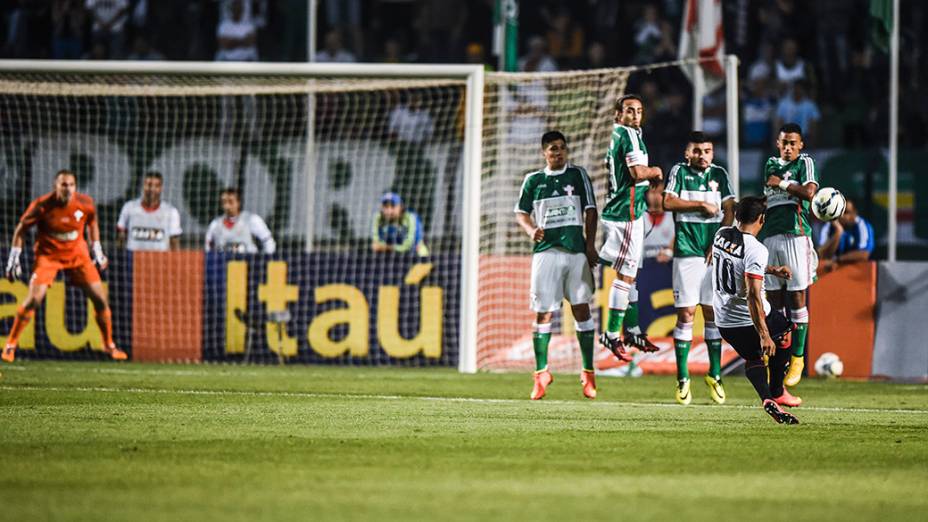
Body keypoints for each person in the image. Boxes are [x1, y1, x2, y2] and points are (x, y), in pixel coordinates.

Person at [3, 169, 127, 363]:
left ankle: (109, 345)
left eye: (71, 185)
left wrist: (97, 250)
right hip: (49, 256)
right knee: (34, 299)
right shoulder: (42, 205)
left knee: (100, 299)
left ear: (75, 187)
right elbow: (21, 229)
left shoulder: (85, 204)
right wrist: (14, 258)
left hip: (77, 255)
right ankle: (10, 345)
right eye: (63, 185)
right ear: (56, 186)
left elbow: (92, 223)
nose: (67, 188)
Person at [514, 131, 598, 400]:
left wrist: (590, 245)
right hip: (545, 253)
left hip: (575, 251)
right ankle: (541, 374)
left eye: (562, 148)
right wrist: (530, 230)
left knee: (581, 310)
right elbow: (520, 212)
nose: (558, 152)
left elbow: (591, 209)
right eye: (553, 149)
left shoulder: (578, 175)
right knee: (543, 314)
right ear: (544, 153)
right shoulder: (533, 180)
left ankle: (588, 372)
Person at [711, 196, 799, 424]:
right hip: (747, 318)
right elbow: (752, 295)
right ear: (762, 219)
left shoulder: (720, 235)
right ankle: (778, 390)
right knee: (788, 332)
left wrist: (772, 270)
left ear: (737, 216)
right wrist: (764, 334)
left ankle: (767, 399)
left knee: (753, 357)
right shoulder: (756, 249)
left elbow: (739, 266)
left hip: (724, 322)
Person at [663, 131, 736, 405]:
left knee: (712, 312)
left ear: (712, 153)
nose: (701, 155)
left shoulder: (720, 174)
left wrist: (719, 242)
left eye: (706, 150)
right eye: (696, 150)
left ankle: (715, 374)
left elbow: (731, 208)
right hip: (687, 251)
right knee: (687, 313)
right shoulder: (679, 172)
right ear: (687, 153)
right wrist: (700, 204)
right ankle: (683, 379)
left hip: (713, 253)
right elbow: (667, 201)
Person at [598, 94, 663, 361]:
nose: (635, 115)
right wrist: (656, 170)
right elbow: (637, 173)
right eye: (629, 110)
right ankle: (612, 335)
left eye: (638, 110)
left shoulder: (618, 135)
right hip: (624, 214)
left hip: (627, 212)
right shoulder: (628, 134)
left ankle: (633, 330)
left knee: (631, 273)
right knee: (625, 276)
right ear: (618, 114)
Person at [760, 122, 818, 394]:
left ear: (801, 145)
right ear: (777, 143)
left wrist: (782, 183)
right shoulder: (771, 162)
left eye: (793, 143)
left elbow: (809, 193)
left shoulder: (805, 162)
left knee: (797, 297)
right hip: (771, 236)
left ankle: (797, 358)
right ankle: (777, 359)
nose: (788, 148)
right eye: (784, 142)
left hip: (796, 235)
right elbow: (774, 186)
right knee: (774, 301)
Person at [116, 171, 182, 251]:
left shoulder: (171, 212)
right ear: (143, 186)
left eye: (156, 186)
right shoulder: (129, 207)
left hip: (160, 260)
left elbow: (174, 243)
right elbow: (121, 238)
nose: (152, 189)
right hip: (133, 260)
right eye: (149, 185)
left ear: (161, 188)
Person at [205, 188, 275, 254]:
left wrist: (264, 261)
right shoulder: (215, 224)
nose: (227, 206)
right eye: (224, 202)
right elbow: (207, 245)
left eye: (230, 202)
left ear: (238, 202)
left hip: (247, 263)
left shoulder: (251, 220)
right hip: (223, 264)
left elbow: (268, 241)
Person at [817, 198, 874, 274]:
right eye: (840, 212)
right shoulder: (829, 226)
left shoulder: (862, 225)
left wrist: (838, 260)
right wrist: (838, 233)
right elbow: (822, 255)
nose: (842, 216)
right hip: (832, 276)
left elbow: (863, 254)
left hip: (858, 275)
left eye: (846, 212)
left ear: (854, 213)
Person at [371, 192, 429, 257]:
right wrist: (383, 247)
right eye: (386, 207)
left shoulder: (411, 218)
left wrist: (387, 247)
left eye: (393, 206)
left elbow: (409, 245)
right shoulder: (378, 218)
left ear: (400, 207)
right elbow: (375, 245)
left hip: (415, 254)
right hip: (390, 256)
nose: (389, 211)